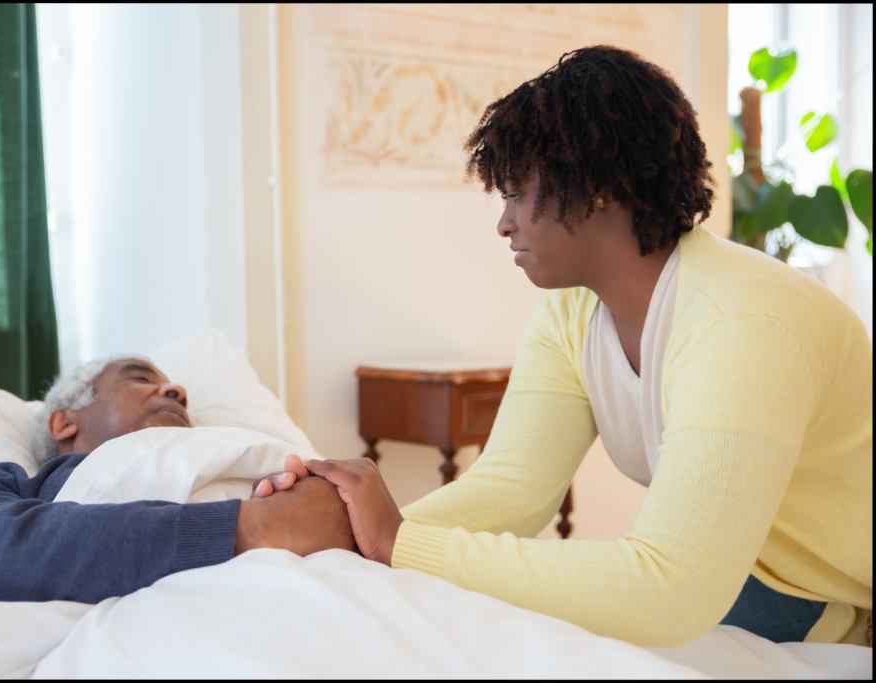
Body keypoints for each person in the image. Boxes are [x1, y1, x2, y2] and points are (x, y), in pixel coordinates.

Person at [275, 46, 873, 647]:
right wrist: (347, 528)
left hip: (814, 591)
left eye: (514, 194)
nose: (503, 223)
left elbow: (668, 591)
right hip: (734, 568)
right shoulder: (573, 312)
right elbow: (513, 489)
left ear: (599, 189)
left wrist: (398, 543)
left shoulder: (746, 323)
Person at [0, 356, 354, 604]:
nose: (176, 393)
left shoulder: (237, 453)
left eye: (177, 391)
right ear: (63, 422)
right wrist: (249, 527)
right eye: (138, 378)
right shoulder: (17, 485)